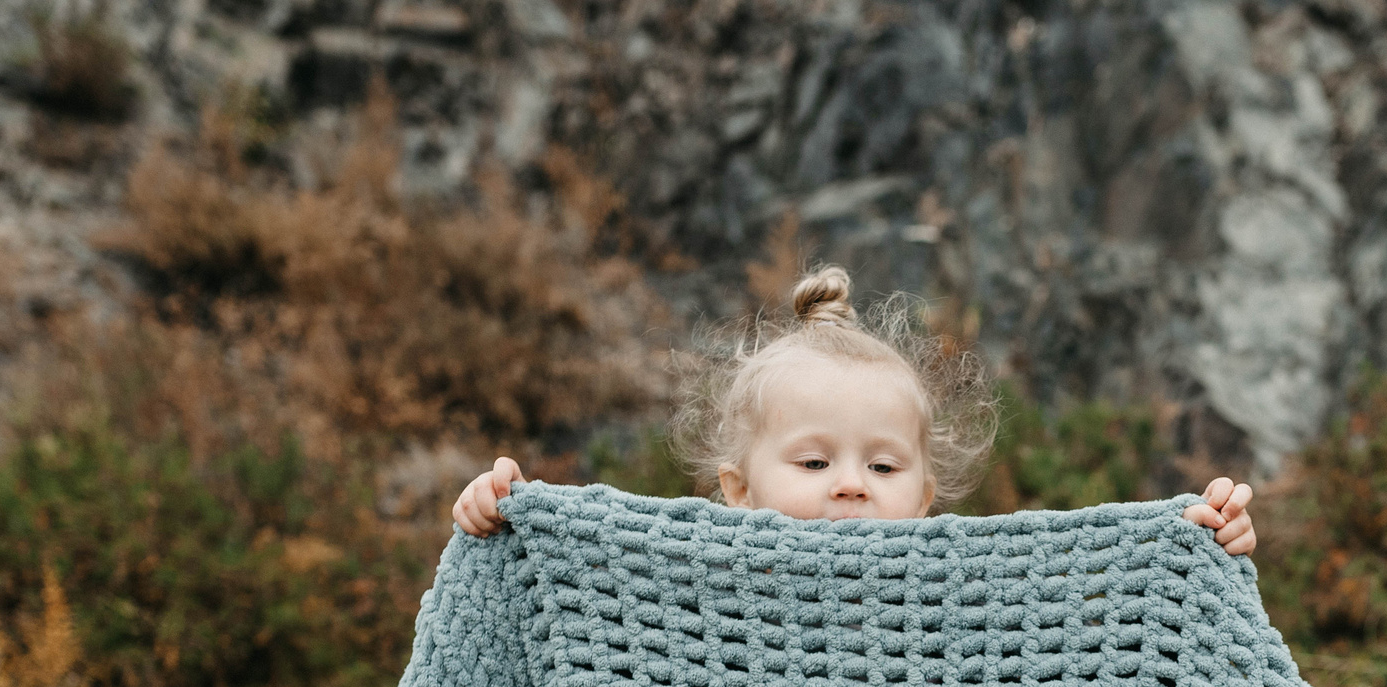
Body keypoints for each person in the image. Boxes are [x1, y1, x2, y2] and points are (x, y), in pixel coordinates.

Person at [449, 264, 1258, 554]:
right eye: (812, 461)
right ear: (738, 489)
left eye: (882, 464)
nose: (850, 484)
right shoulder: (684, 586)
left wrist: (1192, 546)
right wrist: (505, 521)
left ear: (927, 497)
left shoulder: (971, 595)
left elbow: (1099, 637)